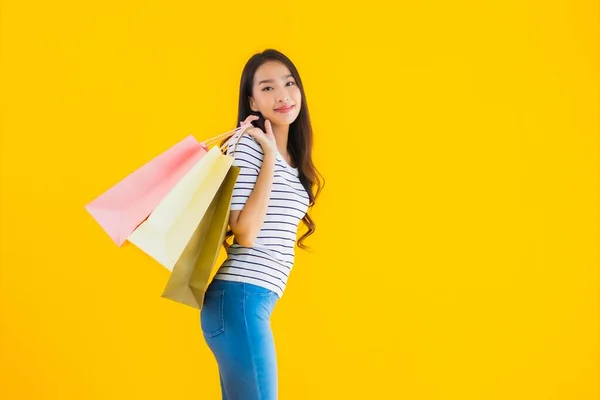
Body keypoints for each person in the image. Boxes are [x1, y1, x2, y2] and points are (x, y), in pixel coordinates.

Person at [200, 49, 324, 400]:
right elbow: (245, 231)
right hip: (239, 297)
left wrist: (276, 156)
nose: (283, 95)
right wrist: (268, 156)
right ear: (252, 102)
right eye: (267, 88)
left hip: (252, 300)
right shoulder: (250, 148)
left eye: (289, 83)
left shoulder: (294, 162)